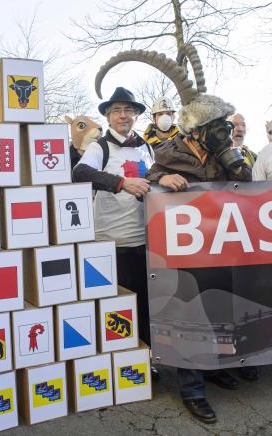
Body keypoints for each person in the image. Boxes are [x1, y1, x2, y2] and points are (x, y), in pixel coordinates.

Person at [146, 94, 252, 424]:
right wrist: (160, 179)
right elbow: (147, 180)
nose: (222, 131)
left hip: (220, 247)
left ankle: (215, 369)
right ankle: (192, 388)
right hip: (183, 253)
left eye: (225, 126)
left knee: (221, 309)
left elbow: (245, 180)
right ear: (195, 130)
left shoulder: (225, 153)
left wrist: (227, 151)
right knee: (189, 316)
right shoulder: (168, 153)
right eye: (215, 127)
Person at [72, 86, 154, 358]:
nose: (123, 115)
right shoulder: (100, 147)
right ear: (108, 117)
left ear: (136, 115)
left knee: (144, 305)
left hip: (143, 242)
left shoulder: (147, 148)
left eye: (128, 110)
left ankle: (144, 359)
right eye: (117, 110)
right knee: (114, 308)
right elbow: (80, 172)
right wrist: (120, 183)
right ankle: (115, 362)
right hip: (110, 243)